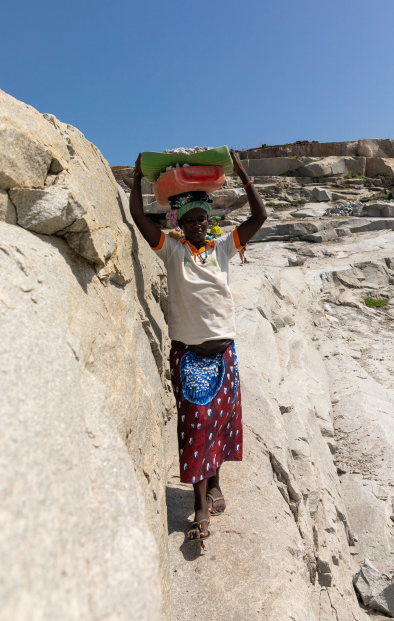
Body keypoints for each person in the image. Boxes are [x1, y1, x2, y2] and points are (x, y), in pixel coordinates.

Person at [129, 150, 267, 542]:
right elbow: (139, 217)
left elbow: (260, 218)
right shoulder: (172, 250)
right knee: (195, 428)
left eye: (200, 219)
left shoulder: (223, 248)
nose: (195, 226)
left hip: (224, 354)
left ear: (211, 220)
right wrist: (137, 178)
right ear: (179, 223)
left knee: (219, 424)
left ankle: (216, 482)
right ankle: (200, 507)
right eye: (187, 220)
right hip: (190, 355)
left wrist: (243, 174)